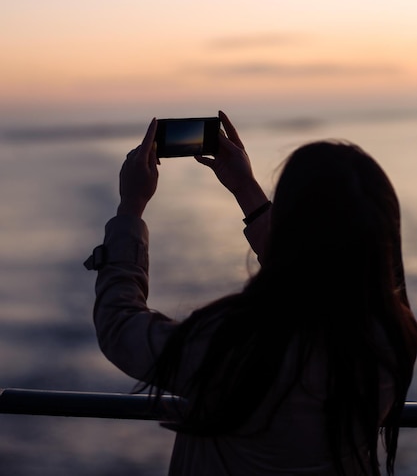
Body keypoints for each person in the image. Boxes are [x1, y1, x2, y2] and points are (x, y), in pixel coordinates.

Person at [85, 111, 417, 476]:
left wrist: (130, 208)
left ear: (292, 222)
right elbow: (317, 269)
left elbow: (119, 326)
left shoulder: (233, 346)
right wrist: (245, 188)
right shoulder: (392, 337)